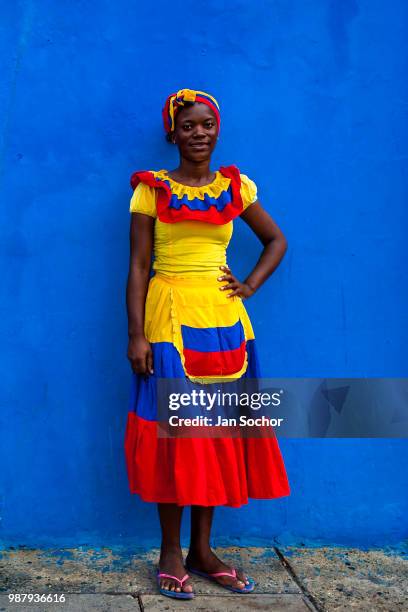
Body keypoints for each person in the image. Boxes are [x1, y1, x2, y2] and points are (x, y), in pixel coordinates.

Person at [125, 88, 290, 600]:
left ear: (217, 129)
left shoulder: (236, 188)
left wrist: (250, 285)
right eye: (188, 125)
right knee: (176, 435)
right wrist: (136, 334)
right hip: (170, 321)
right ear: (171, 133)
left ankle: (203, 550)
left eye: (206, 124)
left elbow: (276, 240)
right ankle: (170, 553)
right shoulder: (151, 190)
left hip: (225, 323)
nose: (198, 133)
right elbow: (137, 266)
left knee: (215, 434)